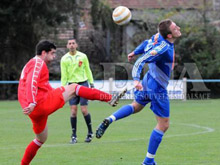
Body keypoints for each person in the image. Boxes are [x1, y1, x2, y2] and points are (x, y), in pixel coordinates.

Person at [18, 40, 126, 165]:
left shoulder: (29, 64)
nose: (54, 57)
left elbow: (36, 86)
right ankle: (109, 98)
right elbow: (32, 82)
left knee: (41, 139)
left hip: (33, 111)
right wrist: (32, 102)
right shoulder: (38, 63)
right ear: (44, 52)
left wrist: (31, 103)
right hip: (38, 104)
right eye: (52, 54)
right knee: (75, 88)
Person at [96, 19, 181, 165]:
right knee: (163, 125)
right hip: (157, 87)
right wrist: (135, 79)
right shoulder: (163, 48)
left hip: (149, 80)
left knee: (136, 106)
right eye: (175, 27)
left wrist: (135, 51)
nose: (178, 28)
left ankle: (110, 119)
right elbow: (140, 62)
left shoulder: (157, 36)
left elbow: (146, 43)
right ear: (168, 35)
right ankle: (148, 161)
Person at [60, 38, 95, 144]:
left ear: (76, 45)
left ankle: (90, 133)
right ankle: (74, 136)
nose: (71, 45)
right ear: (67, 46)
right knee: (73, 111)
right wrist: (63, 88)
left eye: (73, 43)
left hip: (83, 84)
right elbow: (64, 74)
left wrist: (91, 83)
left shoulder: (82, 56)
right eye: (69, 43)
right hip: (71, 86)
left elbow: (88, 70)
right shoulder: (64, 59)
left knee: (84, 110)